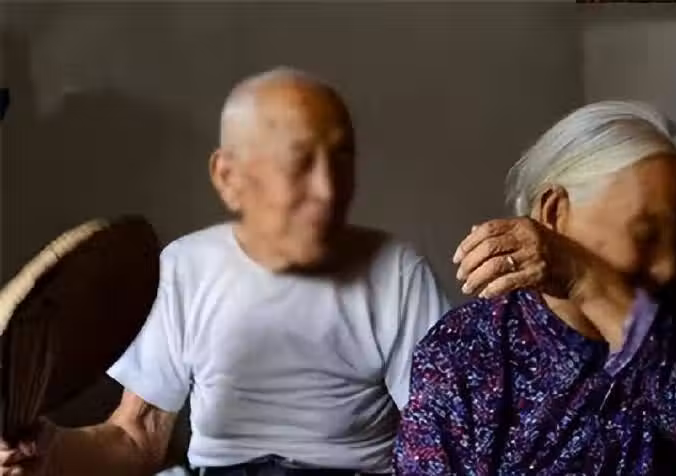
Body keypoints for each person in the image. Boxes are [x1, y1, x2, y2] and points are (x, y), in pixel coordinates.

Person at [0, 68, 462, 476]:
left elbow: (449, 440)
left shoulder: (398, 272)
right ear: (228, 176)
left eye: (341, 159)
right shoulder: (184, 268)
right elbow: (136, 439)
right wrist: (48, 456)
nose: (327, 189)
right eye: (299, 162)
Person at [395, 101, 676, 475]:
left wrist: (593, 286)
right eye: (645, 235)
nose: (670, 267)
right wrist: (581, 277)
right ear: (553, 213)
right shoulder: (467, 348)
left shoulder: (667, 312)